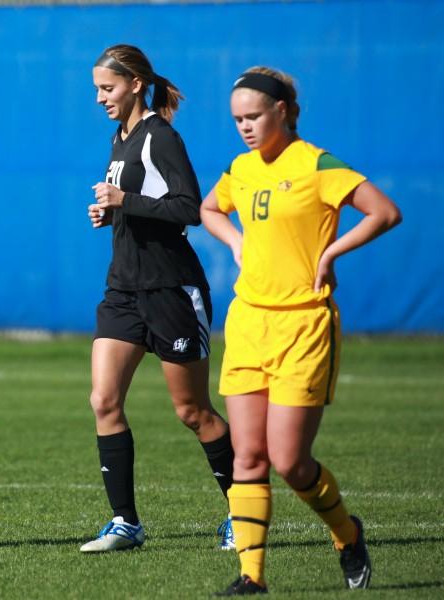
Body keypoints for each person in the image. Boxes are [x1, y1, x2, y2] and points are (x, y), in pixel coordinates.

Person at [200, 67, 402, 595]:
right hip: (248, 323)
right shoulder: (241, 167)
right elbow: (208, 208)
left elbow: (385, 212)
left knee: (289, 461)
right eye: (237, 119)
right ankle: (252, 577)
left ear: (283, 111)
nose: (244, 127)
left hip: (304, 325)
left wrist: (333, 250)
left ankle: (347, 533)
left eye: (253, 116)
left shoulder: (316, 163)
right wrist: (235, 241)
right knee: (247, 456)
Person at [80, 44, 235, 553]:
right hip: (123, 288)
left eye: (108, 87)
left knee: (193, 411)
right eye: (98, 88)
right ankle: (125, 522)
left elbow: (189, 208)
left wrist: (127, 202)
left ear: (135, 84)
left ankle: (244, 511)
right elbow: (143, 206)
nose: (101, 97)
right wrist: (112, 214)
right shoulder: (119, 137)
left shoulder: (160, 136)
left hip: (170, 289)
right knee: (104, 400)